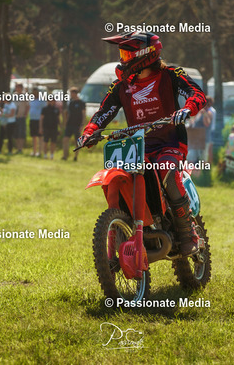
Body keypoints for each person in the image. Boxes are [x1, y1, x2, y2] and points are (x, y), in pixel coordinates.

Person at [77, 31, 206, 256]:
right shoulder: (121, 85)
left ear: (145, 55)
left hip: (170, 143)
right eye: (122, 54)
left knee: (166, 169)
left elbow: (197, 94)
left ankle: (189, 234)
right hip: (138, 147)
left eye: (127, 54)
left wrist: (187, 109)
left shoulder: (171, 74)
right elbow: (104, 112)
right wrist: (89, 132)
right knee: (120, 174)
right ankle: (127, 225)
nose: (122, 60)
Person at [62, 87, 85, 161]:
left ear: (75, 93)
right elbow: (68, 113)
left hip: (77, 124)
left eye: (71, 93)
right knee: (65, 139)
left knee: (77, 141)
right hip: (70, 124)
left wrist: (82, 124)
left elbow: (83, 114)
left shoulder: (81, 103)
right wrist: (65, 122)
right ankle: (65, 155)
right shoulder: (70, 103)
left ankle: (75, 156)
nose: (71, 95)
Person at [29, 87, 46, 157]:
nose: (34, 93)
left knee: (40, 136)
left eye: (36, 92)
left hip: (39, 120)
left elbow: (44, 110)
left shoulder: (42, 100)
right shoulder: (31, 100)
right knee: (33, 136)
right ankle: (34, 151)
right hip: (32, 119)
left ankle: (40, 152)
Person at [14, 83, 30, 154]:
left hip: (21, 117)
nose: (17, 89)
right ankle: (17, 148)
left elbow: (28, 105)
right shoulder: (14, 95)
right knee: (16, 133)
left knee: (21, 133)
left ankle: (21, 148)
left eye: (19, 87)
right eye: (16, 87)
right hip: (15, 117)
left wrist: (25, 114)